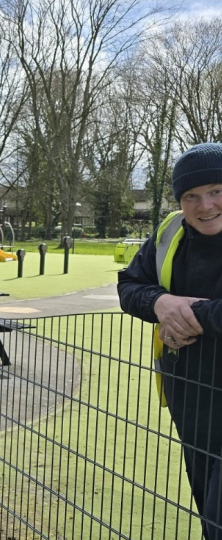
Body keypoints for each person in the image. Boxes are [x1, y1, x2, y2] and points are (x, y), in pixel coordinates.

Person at [118, 142, 222, 539]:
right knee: (206, 504)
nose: (205, 205)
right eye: (191, 196)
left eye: (216, 190)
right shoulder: (170, 230)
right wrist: (160, 303)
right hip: (190, 396)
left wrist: (192, 316)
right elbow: (129, 285)